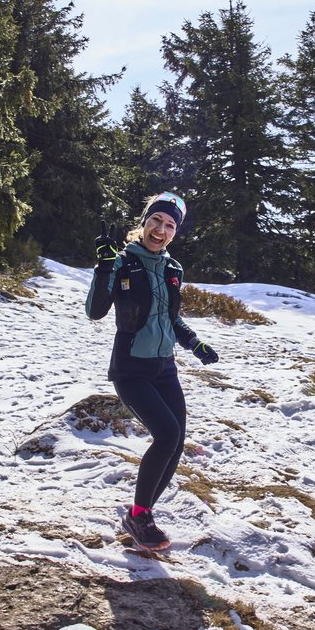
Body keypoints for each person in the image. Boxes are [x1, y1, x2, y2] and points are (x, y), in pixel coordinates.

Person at [86, 192, 218, 551]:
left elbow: (170, 317)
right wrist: (103, 267)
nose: (161, 229)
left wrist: (194, 343)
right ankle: (140, 516)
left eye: (170, 225)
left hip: (165, 369)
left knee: (175, 443)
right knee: (166, 434)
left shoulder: (173, 269)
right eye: (156, 220)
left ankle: (140, 514)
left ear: (175, 232)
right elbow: (95, 311)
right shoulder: (122, 262)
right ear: (144, 223)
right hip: (131, 369)